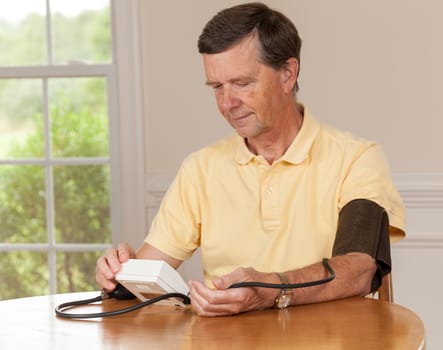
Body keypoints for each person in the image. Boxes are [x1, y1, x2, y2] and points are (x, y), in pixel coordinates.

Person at [96, 2, 405, 316]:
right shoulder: (200, 169)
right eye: (217, 87)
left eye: (242, 83)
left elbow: (359, 269)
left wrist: (270, 290)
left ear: (288, 73)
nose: (228, 103)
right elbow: (147, 272)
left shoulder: (357, 159)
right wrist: (118, 276)